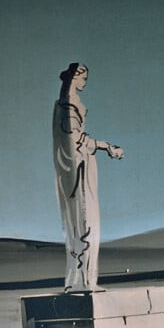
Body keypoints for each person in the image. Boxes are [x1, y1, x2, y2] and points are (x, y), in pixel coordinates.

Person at [52, 62, 123, 293]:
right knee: (86, 223)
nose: (85, 84)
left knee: (83, 223)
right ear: (76, 78)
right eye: (84, 80)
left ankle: (83, 280)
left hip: (79, 169)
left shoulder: (65, 106)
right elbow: (76, 140)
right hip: (79, 172)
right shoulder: (68, 107)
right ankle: (84, 280)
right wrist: (105, 146)